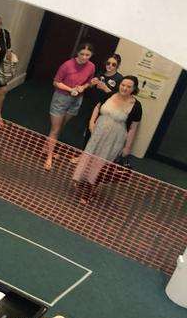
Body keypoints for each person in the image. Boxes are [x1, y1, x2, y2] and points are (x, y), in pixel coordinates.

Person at [71, 76, 142, 204]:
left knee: (100, 163)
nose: (124, 88)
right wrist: (92, 122)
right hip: (98, 134)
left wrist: (127, 147)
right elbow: (98, 107)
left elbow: (133, 128)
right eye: (123, 85)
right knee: (88, 157)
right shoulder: (110, 94)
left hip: (115, 139)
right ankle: (81, 182)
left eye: (128, 86)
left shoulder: (136, 106)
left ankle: (90, 191)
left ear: (134, 89)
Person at [44, 43, 96, 170]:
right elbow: (56, 82)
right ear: (77, 53)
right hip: (61, 98)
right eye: (82, 54)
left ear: (91, 55)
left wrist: (82, 87)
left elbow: (89, 82)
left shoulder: (91, 66)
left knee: (61, 126)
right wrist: (70, 89)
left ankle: (46, 148)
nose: (84, 57)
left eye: (87, 55)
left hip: (77, 99)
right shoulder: (67, 65)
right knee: (55, 129)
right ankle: (49, 157)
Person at [81, 54, 124, 145]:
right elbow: (90, 89)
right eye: (108, 63)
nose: (110, 66)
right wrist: (91, 84)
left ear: (118, 66)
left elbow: (119, 97)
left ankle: (90, 156)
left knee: (98, 133)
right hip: (93, 105)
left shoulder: (119, 78)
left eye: (113, 64)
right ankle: (83, 154)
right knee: (88, 129)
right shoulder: (100, 73)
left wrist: (106, 88)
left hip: (105, 109)